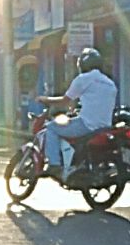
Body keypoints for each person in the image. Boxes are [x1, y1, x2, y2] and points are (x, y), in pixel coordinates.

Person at [36, 47, 118, 180]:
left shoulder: (83, 79)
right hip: (105, 127)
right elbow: (96, 102)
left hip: (86, 125)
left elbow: (64, 100)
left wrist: (45, 99)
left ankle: (54, 165)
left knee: (51, 128)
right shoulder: (109, 83)